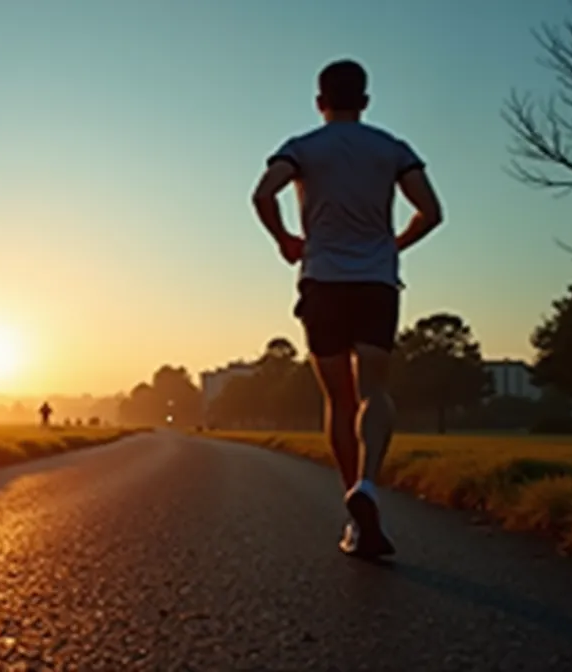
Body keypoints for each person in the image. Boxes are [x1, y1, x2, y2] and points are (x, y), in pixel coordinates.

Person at [249, 59, 443, 558]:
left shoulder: (302, 148)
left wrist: (284, 240)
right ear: (366, 100)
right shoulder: (393, 149)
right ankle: (370, 486)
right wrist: (394, 243)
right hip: (376, 283)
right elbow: (432, 212)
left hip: (324, 282)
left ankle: (352, 512)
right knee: (373, 390)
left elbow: (263, 193)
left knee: (338, 400)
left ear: (320, 101)